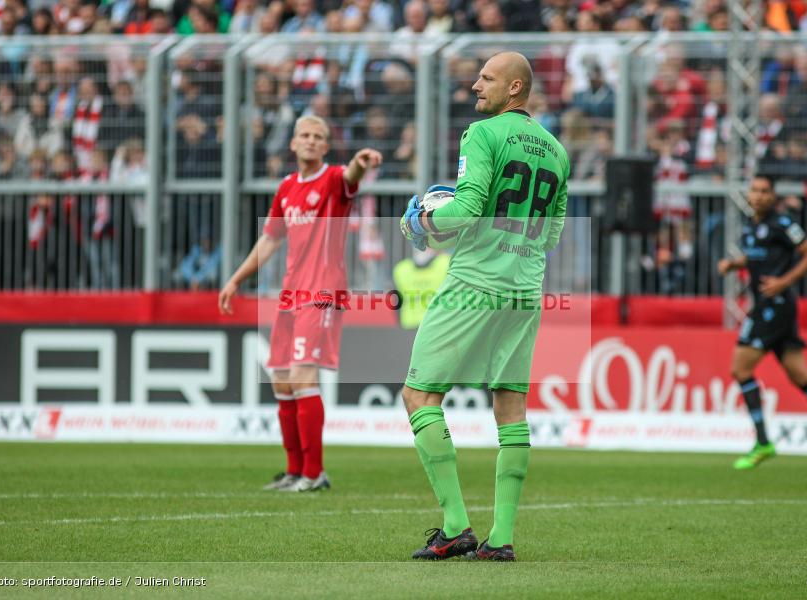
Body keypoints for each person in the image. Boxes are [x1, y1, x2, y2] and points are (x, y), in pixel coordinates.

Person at [399, 52, 568, 561]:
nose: (475, 85)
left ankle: (455, 527)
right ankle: (502, 539)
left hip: (475, 282)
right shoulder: (557, 151)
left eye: (487, 78)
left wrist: (424, 222)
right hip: (525, 288)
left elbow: (469, 206)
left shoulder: (482, 134)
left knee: (418, 395)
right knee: (510, 405)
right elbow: (554, 232)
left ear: (515, 88)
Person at [219, 116, 382, 492]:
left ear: (326, 147)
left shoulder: (332, 180)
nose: (310, 141)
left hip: (323, 292)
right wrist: (236, 278)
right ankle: (294, 470)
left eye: (318, 137)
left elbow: (351, 176)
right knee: (281, 378)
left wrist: (361, 160)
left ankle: (314, 473)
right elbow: (270, 240)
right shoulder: (287, 187)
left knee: (302, 376)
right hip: (291, 293)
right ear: (292, 144)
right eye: (304, 136)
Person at [718, 174, 807, 471]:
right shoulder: (752, 227)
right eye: (754, 190)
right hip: (767, 305)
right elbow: (758, 258)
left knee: (740, 368)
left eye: (764, 191)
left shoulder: (783, 224)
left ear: (773, 195)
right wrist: (735, 264)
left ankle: (763, 441)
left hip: (776, 306)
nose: (758, 196)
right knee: (800, 375)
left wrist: (783, 282)